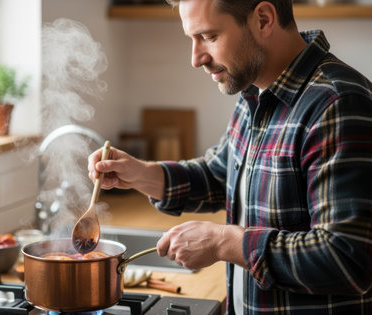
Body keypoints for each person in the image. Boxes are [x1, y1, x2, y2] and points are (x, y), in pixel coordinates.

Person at [88, 0, 372, 313]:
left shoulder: (336, 104)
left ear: (263, 20)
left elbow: (347, 259)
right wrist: (140, 173)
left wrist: (224, 242)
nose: (196, 59)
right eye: (191, 39)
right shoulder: (256, 92)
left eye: (208, 37)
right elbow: (219, 176)